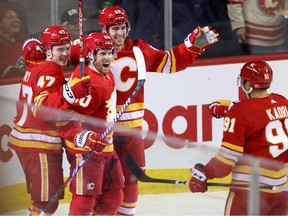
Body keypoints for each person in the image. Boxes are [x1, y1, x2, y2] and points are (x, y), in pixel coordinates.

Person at [95, 6, 220, 215]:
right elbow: (60, 57)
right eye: (114, 28)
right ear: (103, 29)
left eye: (123, 27)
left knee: (131, 184)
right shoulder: (90, 48)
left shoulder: (138, 50)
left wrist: (191, 47)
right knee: (101, 185)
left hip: (131, 134)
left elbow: (170, 62)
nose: (119, 33)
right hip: (101, 132)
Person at [7, 25, 91, 215]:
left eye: (67, 48)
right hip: (38, 142)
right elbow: (42, 109)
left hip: (29, 141)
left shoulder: (37, 63)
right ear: (47, 51)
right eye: (60, 49)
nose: (65, 54)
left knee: (44, 201)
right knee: (46, 202)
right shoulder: (50, 70)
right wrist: (70, 92)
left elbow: (30, 47)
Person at [189, 60, 288, 215]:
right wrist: (231, 108)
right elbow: (261, 112)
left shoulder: (239, 113)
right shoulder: (283, 102)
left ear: (248, 85)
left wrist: (204, 174)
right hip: (281, 192)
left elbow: (225, 163)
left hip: (250, 193)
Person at [59, 32, 124, 215]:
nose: (108, 57)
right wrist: (81, 136)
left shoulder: (106, 73)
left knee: (114, 194)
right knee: (85, 199)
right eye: (102, 53)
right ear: (90, 56)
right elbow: (63, 117)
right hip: (85, 150)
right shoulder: (88, 84)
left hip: (105, 146)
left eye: (110, 52)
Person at [0, 1, 26, 77]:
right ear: (0, 24)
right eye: (10, 17)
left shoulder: (27, 43)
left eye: (17, 17)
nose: (16, 20)